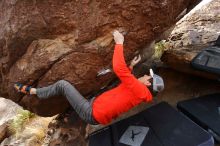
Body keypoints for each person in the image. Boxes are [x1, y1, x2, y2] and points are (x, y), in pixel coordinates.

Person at [14, 30, 164, 125]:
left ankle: (34, 92)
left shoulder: (140, 90)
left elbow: (119, 69)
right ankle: (68, 114)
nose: (144, 75)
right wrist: (131, 67)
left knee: (63, 85)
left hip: (91, 112)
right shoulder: (139, 93)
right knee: (97, 89)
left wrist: (119, 43)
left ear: (148, 83)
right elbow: (125, 84)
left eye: (147, 76)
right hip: (95, 106)